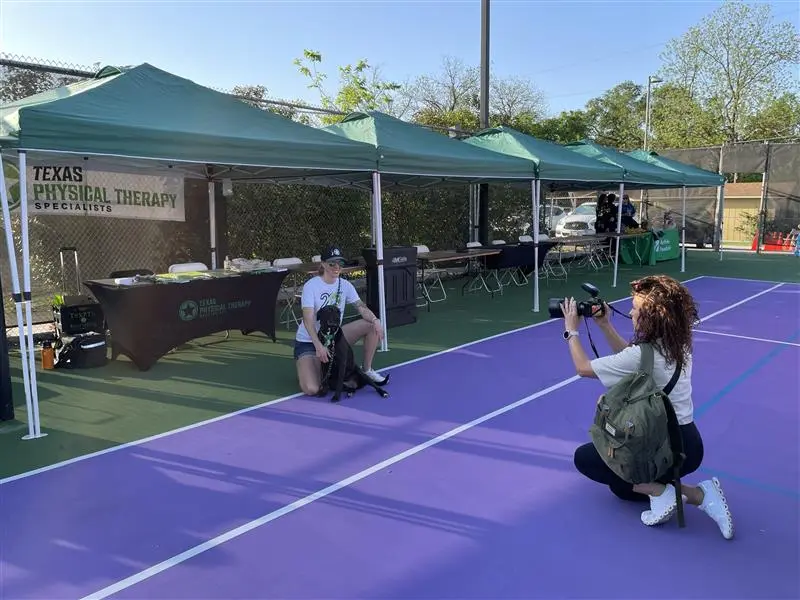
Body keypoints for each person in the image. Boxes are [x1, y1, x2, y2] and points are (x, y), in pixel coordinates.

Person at [560, 275, 734, 539]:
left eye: (636, 309)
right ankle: (685, 492)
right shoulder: (678, 346)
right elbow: (636, 360)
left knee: (586, 459)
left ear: (652, 316)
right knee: (620, 490)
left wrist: (571, 330)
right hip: (688, 445)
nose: (630, 312)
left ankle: (675, 493)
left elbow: (583, 368)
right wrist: (605, 324)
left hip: (661, 447)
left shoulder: (643, 353)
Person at [294, 245, 387, 395]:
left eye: (340, 263)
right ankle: (307, 364)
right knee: (312, 389)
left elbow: (361, 307)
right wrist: (318, 345)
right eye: (332, 263)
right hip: (309, 342)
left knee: (371, 325)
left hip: (333, 337)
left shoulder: (345, 286)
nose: (336, 267)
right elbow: (308, 319)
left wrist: (375, 320)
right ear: (323, 264)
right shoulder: (311, 287)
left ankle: (367, 369)